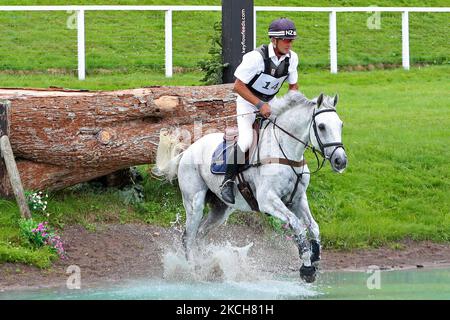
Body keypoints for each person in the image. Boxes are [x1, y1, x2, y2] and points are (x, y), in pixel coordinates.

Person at [220, 17, 300, 204]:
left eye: (291, 41)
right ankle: (227, 182)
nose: (289, 44)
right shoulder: (255, 58)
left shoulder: (292, 58)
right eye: (286, 41)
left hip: (272, 104)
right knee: (247, 140)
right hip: (248, 103)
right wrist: (259, 105)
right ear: (274, 40)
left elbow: (293, 87)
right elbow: (238, 86)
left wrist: (290, 107)